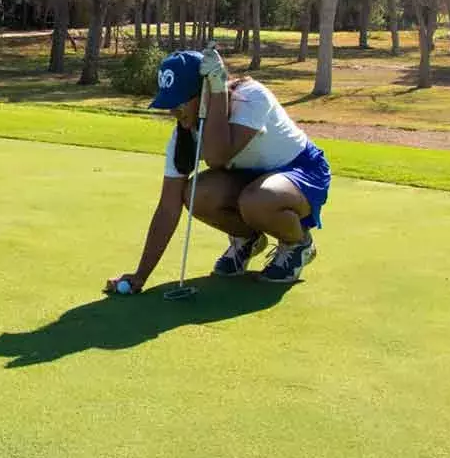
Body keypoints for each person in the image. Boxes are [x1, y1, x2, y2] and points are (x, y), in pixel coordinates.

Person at [105, 46, 331, 292]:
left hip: (301, 172)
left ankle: (298, 244)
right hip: (249, 183)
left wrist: (218, 90)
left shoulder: (252, 97)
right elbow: (168, 207)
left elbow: (216, 156)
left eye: (180, 101)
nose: (173, 111)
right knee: (196, 193)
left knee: (257, 199)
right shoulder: (184, 135)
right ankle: (247, 239)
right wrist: (140, 275)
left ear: (205, 92)